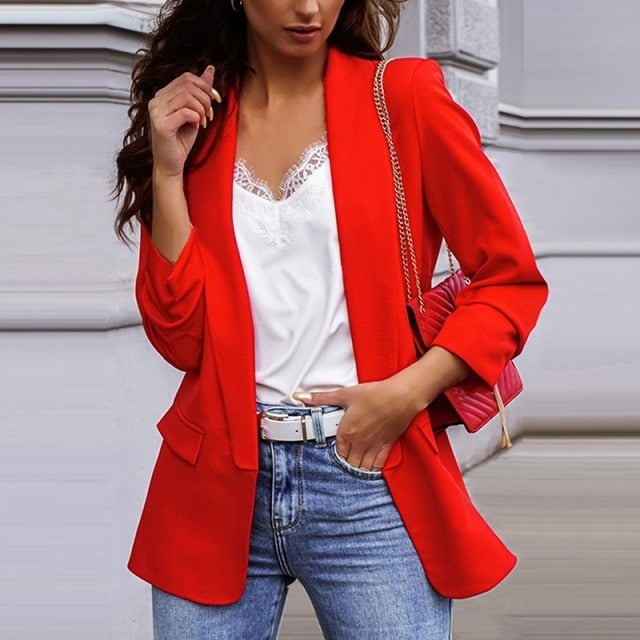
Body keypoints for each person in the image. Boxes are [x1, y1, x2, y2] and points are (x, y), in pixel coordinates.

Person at [114, 0, 548, 637]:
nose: (309, 7)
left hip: (370, 474)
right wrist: (168, 173)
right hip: (215, 483)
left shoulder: (401, 97)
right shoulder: (197, 120)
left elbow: (510, 279)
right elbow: (181, 339)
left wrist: (408, 392)